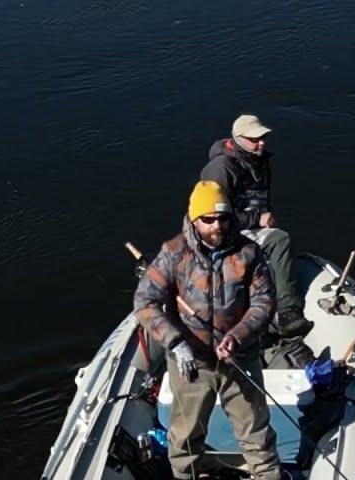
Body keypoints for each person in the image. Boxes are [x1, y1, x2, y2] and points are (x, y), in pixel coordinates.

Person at [133, 181, 281, 480]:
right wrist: (175, 343)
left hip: (239, 360)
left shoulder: (248, 254)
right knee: (185, 437)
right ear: (194, 219)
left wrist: (236, 336)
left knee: (257, 435)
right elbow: (145, 303)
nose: (217, 226)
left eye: (223, 218)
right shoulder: (173, 254)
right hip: (192, 365)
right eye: (208, 219)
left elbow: (264, 303)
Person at [201, 114, 313, 338]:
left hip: (248, 228)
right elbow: (211, 217)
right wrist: (256, 220)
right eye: (254, 139)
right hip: (226, 234)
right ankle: (289, 312)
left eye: (263, 137)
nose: (261, 142)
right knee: (279, 240)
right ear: (238, 138)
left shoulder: (258, 161)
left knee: (272, 243)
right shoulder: (221, 169)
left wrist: (263, 218)